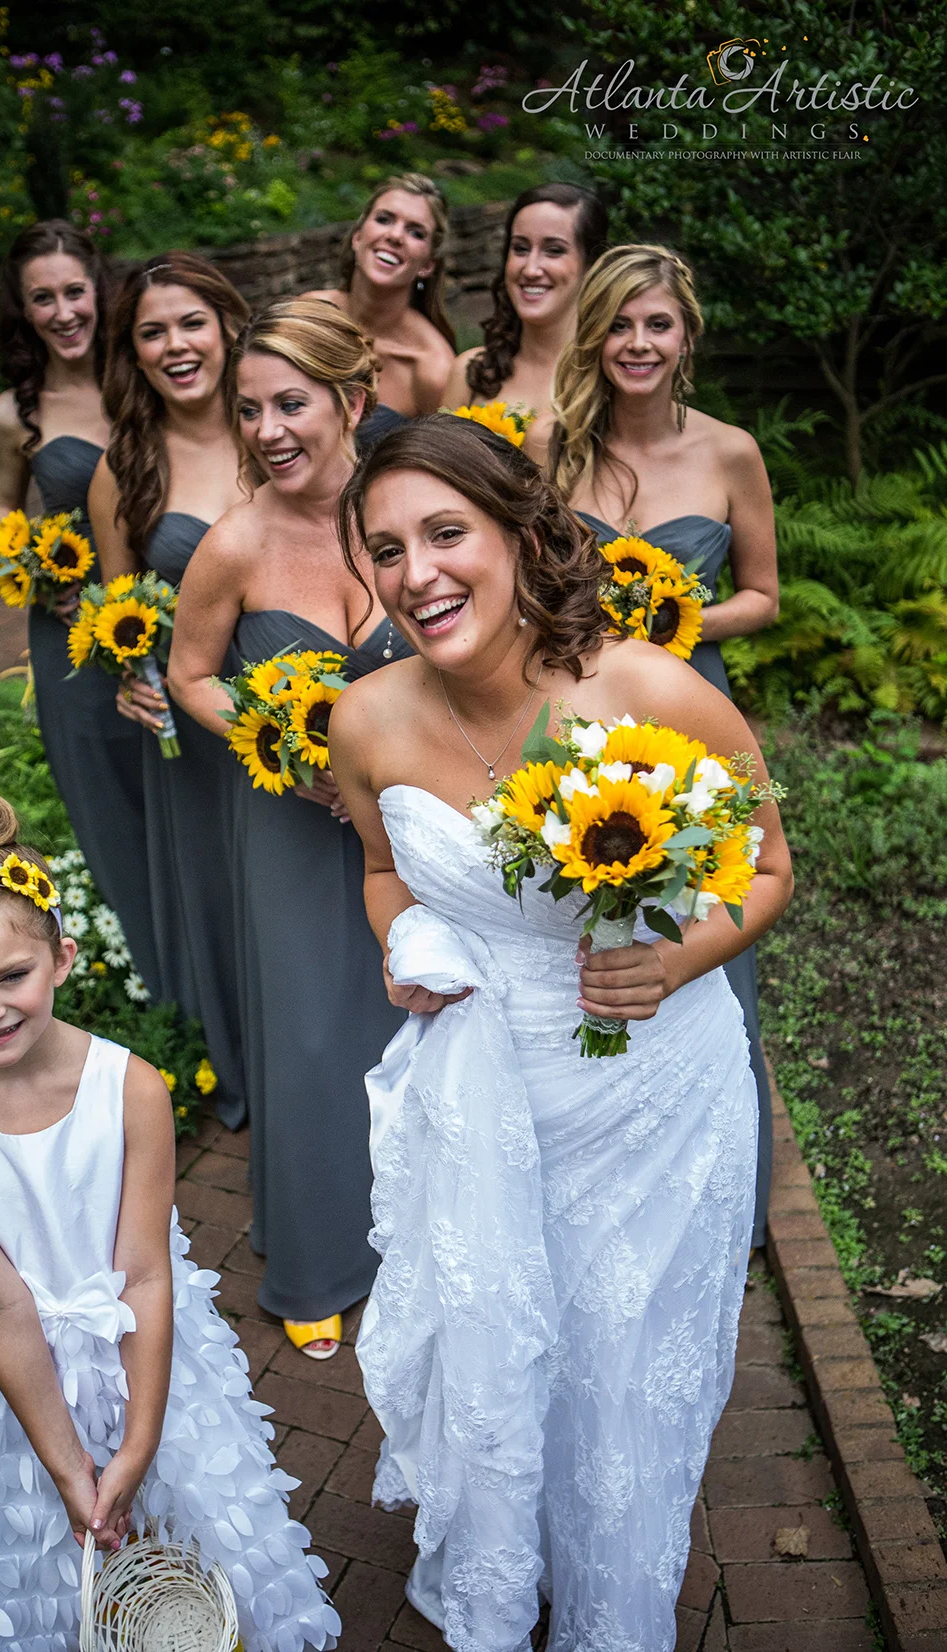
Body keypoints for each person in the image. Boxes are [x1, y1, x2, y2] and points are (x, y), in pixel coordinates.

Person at [328, 416, 793, 1652]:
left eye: (446, 532)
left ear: (523, 534)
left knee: (613, 1367)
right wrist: (403, 941)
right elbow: (383, 869)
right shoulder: (363, 721)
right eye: (387, 549)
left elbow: (769, 864)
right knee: (501, 1352)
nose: (417, 572)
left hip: (653, 1093)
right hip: (486, 1094)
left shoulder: (649, 689)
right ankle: (506, 1555)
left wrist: (675, 957)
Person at [0, 792, 341, 1652]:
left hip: (144, 1355)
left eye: (10, 976)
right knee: (49, 1580)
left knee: (197, 1547)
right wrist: (66, 1464)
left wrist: (138, 1442)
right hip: (14, 1387)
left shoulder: (131, 1089)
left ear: (62, 957)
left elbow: (147, 1273)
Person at [168, 298, 410, 1360]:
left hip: (414, 819)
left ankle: (429, 1234)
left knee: (426, 1013)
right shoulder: (234, 543)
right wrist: (279, 742)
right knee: (313, 1034)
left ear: (352, 401)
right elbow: (189, 675)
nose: (267, 429)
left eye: (291, 404)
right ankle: (321, 1254)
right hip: (293, 827)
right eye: (250, 408)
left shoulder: (409, 510)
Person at [551, 242, 780, 1245]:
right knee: (585, 925)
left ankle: (718, 1200)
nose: (637, 342)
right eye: (618, 323)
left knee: (707, 916)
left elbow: (763, 596)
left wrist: (674, 620)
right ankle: (606, 1178)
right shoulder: (552, 449)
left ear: (686, 335)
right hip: (578, 709)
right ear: (594, 336)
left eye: (657, 323)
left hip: (695, 710)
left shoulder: (729, 451)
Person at [87, 252, 250, 1127]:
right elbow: (119, 611)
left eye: (192, 322)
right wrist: (130, 678)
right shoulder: (125, 467)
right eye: (153, 332)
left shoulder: (274, 425)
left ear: (228, 326)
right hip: (192, 731)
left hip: (296, 707)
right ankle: (245, 1062)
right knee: (224, 898)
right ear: (134, 353)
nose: (176, 345)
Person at [0, 222, 158, 995]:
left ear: (101, 291)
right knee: (113, 806)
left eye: (74, 291)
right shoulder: (11, 415)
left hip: (169, 611)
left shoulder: (147, 374)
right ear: (23, 311)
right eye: (42, 298)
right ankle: (160, 989)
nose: (63, 312)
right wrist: (29, 566)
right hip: (73, 640)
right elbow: (4, 510)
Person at [441, 183, 607, 466]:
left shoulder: (608, 380)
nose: (530, 269)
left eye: (554, 250)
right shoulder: (471, 373)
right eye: (520, 248)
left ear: (591, 265)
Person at [304, 173, 456, 447]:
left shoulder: (432, 369)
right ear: (358, 237)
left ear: (427, 265)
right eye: (384, 219)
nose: (395, 236)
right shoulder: (308, 314)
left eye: (416, 232)